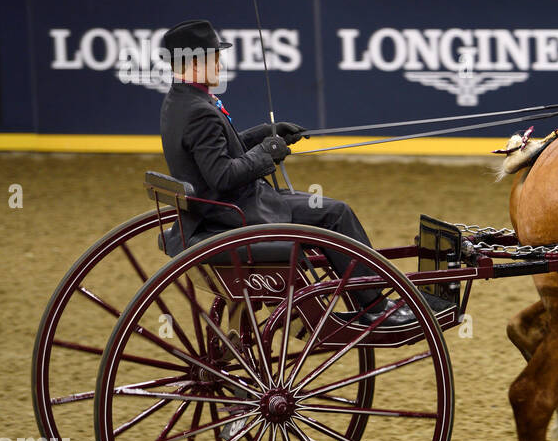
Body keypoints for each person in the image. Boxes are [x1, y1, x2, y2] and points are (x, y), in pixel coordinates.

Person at [158, 18, 411, 326]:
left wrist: (266, 133)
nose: (221, 64)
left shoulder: (180, 101)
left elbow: (219, 152)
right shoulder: (199, 111)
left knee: (319, 207)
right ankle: (375, 305)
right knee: (336, 213)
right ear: (196, 61)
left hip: (216, 209)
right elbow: (222, 176)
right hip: (237, 211)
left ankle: (362, 296)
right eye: (216, 56)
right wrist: (268, 153)